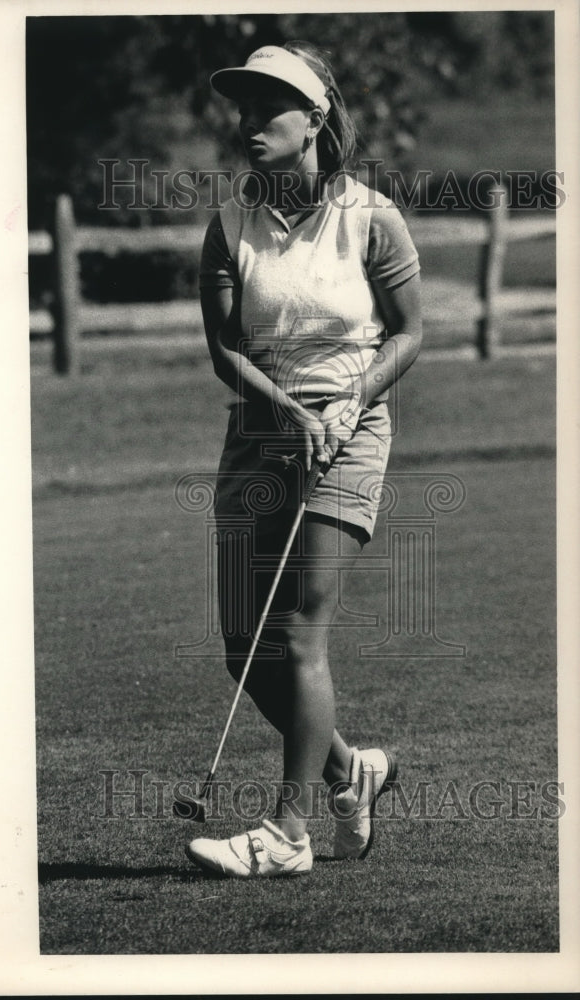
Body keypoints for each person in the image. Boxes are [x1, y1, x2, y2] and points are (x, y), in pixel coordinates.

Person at [185, 42, 422, 877]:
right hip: (259, 431)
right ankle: (351, 768)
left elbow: (409, 332)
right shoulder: (228, 222)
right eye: (242, 109)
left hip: (352, 429)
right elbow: (225, 350)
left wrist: (348, 403)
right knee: (242, 648)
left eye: (267, 108)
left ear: (314, 117)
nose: (248, 124)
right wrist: (285, 411)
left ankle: (288, 832)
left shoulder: (372, 215)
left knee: (294, 636)